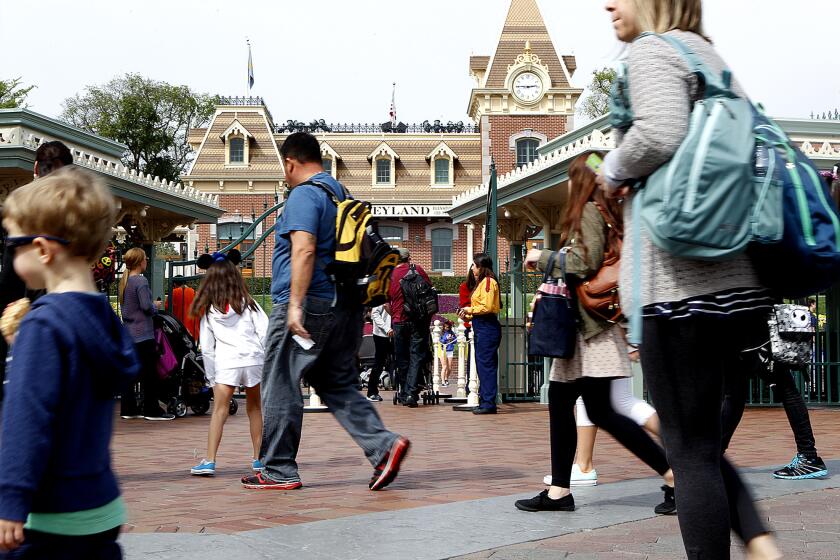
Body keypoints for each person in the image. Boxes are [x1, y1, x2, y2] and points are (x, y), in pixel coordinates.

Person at [598, 1, 782, 557]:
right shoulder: (709, 57)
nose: (608, 3)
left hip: (677, 285)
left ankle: (755, 545)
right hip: (736, 282)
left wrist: (611, 170)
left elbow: (658, 132)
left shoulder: (653, 51)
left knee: (690, 451)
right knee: (700, 442)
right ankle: (763, 544)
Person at [242, 132, 409, 491]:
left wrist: (295, 306)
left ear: (290, 163)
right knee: (336, 384)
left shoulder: (303, 195)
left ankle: (277, 469)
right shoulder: (341, 196)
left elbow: (303, 250)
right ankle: (383, 446)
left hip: (308, 303)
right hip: (346, 307)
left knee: (281, 382)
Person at [519, 152, 674, 515]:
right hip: (584, 330)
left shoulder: (589, 210)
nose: (570, 186)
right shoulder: (609, 214)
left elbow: (584, 264)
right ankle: (559, 490)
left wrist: (541, 257)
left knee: (603, 410)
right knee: (562, 401)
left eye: (573, 179)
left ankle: (673, 474)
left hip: (593, 331)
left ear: (581, 182)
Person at [0, 167, 139, 558]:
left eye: (13, 246)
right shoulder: (102, 319)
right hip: (99, 506)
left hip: (48, 515)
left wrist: (11, 498)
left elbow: (26, 420)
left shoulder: (44, 325)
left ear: (43, 250)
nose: (10, 255)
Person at [0, 140, 74, 405]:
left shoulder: (18, 206)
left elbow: (10, 274)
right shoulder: (76, 212)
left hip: (24, 310)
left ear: (35, 168)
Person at [189, 251, 268, 476]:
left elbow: (207, 347)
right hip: (253, 359)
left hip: (226, 363)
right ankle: (258, 458)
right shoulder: (249, 304)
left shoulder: (209, 311)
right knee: (254, 409)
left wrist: (211, 376)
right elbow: (265, 331)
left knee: (219, 411)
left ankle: (210, 460)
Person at [542, 375, 662, 488]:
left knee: (618, 401)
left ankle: (676, 446)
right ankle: (583, 465)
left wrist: (631, 350)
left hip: (603, 355)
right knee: (591, 397)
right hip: (600, 356)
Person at [119, 247, 174, 421]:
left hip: (129, 333)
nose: (147, 261)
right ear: (140, 261)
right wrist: (156, 306)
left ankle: (128, 408)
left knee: (132, 373)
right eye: (145, 259)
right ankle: (151, 409)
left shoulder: (125, 281)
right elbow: (145, 306)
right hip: (143, 333)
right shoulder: (140, 281)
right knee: (150, 373)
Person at [459, 253, 502, 415]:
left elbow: (488, 307)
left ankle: (488, 402)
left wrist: (470, 310)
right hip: (481, 324)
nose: (472, 268)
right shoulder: (483, 282)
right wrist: (468, 314)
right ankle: (485, 400)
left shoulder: (488, 282)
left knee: (486, 366)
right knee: (483, 365)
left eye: (474, 265)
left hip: (487, 326)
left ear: (480, 267)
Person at [389, 248, 432, 408]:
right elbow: (429, 290)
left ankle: (403, 392)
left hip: (399, 321)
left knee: (402, 358)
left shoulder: (390, 275)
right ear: (409, 258)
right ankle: (411, 393)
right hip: (418, 320)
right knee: (416, 356)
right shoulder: (417, 269)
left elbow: (387, 302)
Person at [368, 304, 393, 402]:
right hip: (381, 334)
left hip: (397, 331)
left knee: (401, 360)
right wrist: (386, 328)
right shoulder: (382, 294)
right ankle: (372, 392)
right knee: (379, 362)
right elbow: (375, 314)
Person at [165, 275, 200, 340]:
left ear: (174, 284)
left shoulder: (174, 292)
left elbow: (166, 308)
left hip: (179, 328)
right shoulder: (193, 292)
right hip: (194, 329)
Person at [439, 320, 457, 387]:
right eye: (446, 326)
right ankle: (443, 381)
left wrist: (451, 339)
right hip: (443, 350)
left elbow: (455, 341)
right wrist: (446, 339)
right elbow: (441, 341)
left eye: (448, 327)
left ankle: (446, 378)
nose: (447, 328)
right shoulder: (442, 333)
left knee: (449, 367)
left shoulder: (451, 332)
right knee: (444, 366)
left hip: (450, 350)